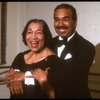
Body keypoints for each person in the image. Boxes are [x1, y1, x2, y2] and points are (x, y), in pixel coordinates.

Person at [5, 19, 67, 99]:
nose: (33, 37)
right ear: (25, 35)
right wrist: (12, 81)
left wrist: (25, 76)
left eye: (39, 33)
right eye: (29, 32)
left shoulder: (55, 63)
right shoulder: (20, 57)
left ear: (45, 35)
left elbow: (56, 95)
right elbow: (11, 79)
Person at [49, 3, 96, 98]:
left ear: (75, 22)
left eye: (65, 19)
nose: (60, 24)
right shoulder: (48, 44)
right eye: (56, 19)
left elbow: (72, 76)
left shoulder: (87, 47)